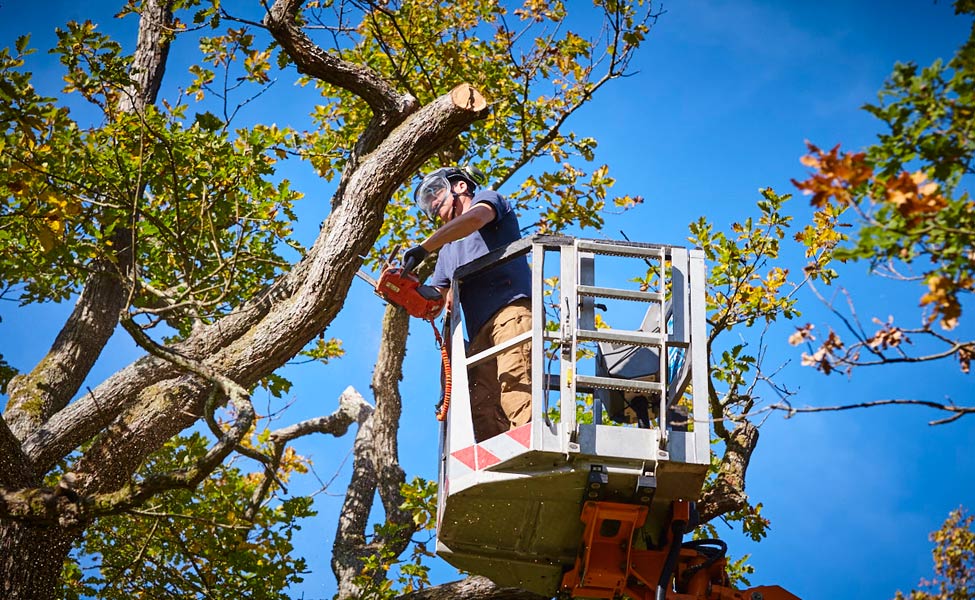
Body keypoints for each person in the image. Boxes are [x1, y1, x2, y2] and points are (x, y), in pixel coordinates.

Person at [402, 166, 532, 442]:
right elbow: (435, 299)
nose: (433, 204)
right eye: (428, 201)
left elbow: (474, 219)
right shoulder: (448, 251)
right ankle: (498, 467)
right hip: (478, 331)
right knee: (480, 404)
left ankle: (529, 449)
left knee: (515, 383)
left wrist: (425, 246)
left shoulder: (489, 201)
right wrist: (405, 291)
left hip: (510, 310)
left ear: (460, 186)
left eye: (436, 192)